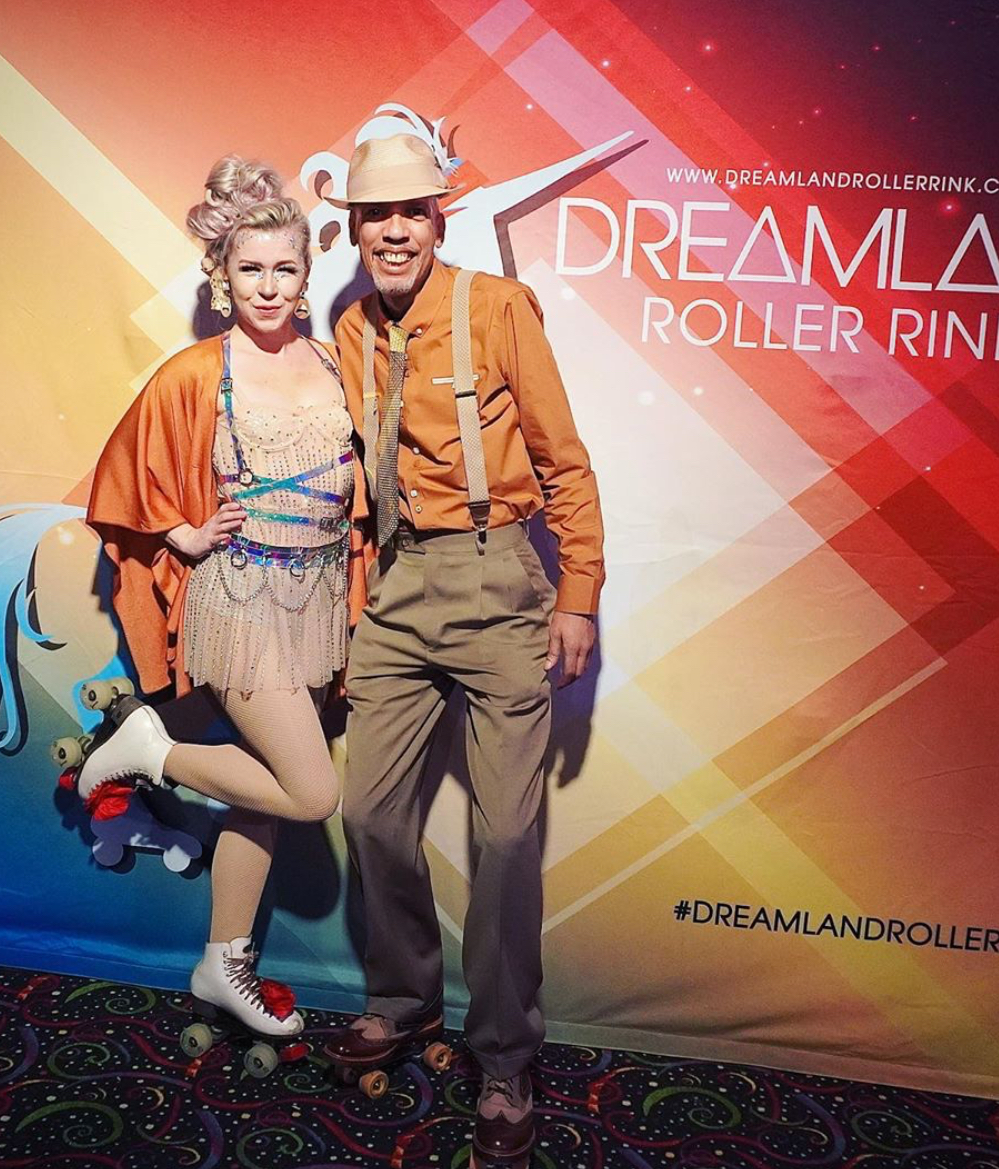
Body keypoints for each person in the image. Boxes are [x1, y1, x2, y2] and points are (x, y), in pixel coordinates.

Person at [324, 134, 604, 1165]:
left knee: (505, 838)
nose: (395, 231)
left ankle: (503, 1055)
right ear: (355, 229)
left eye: (413, 211)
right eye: (376, 214)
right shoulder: (349, 326)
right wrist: (351, 604)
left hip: (498, 578)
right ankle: (403, 999)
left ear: (438, 220)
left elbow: (564, 460)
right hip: (397, 587)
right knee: (368, 811)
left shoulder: (496, 306)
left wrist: (577, 593)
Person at [83, 155, 364, 1041]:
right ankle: (150, 750)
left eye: (285, 268)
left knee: (266, 789)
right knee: (309, 791)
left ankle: (224, 958)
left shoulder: (334, 361)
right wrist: (181, 532)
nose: (268, 286)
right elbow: (122, 475)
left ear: (306, 274)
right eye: (250, 268)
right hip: (238, 603)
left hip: (315, 604)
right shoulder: (199, 371)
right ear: (221, 276)